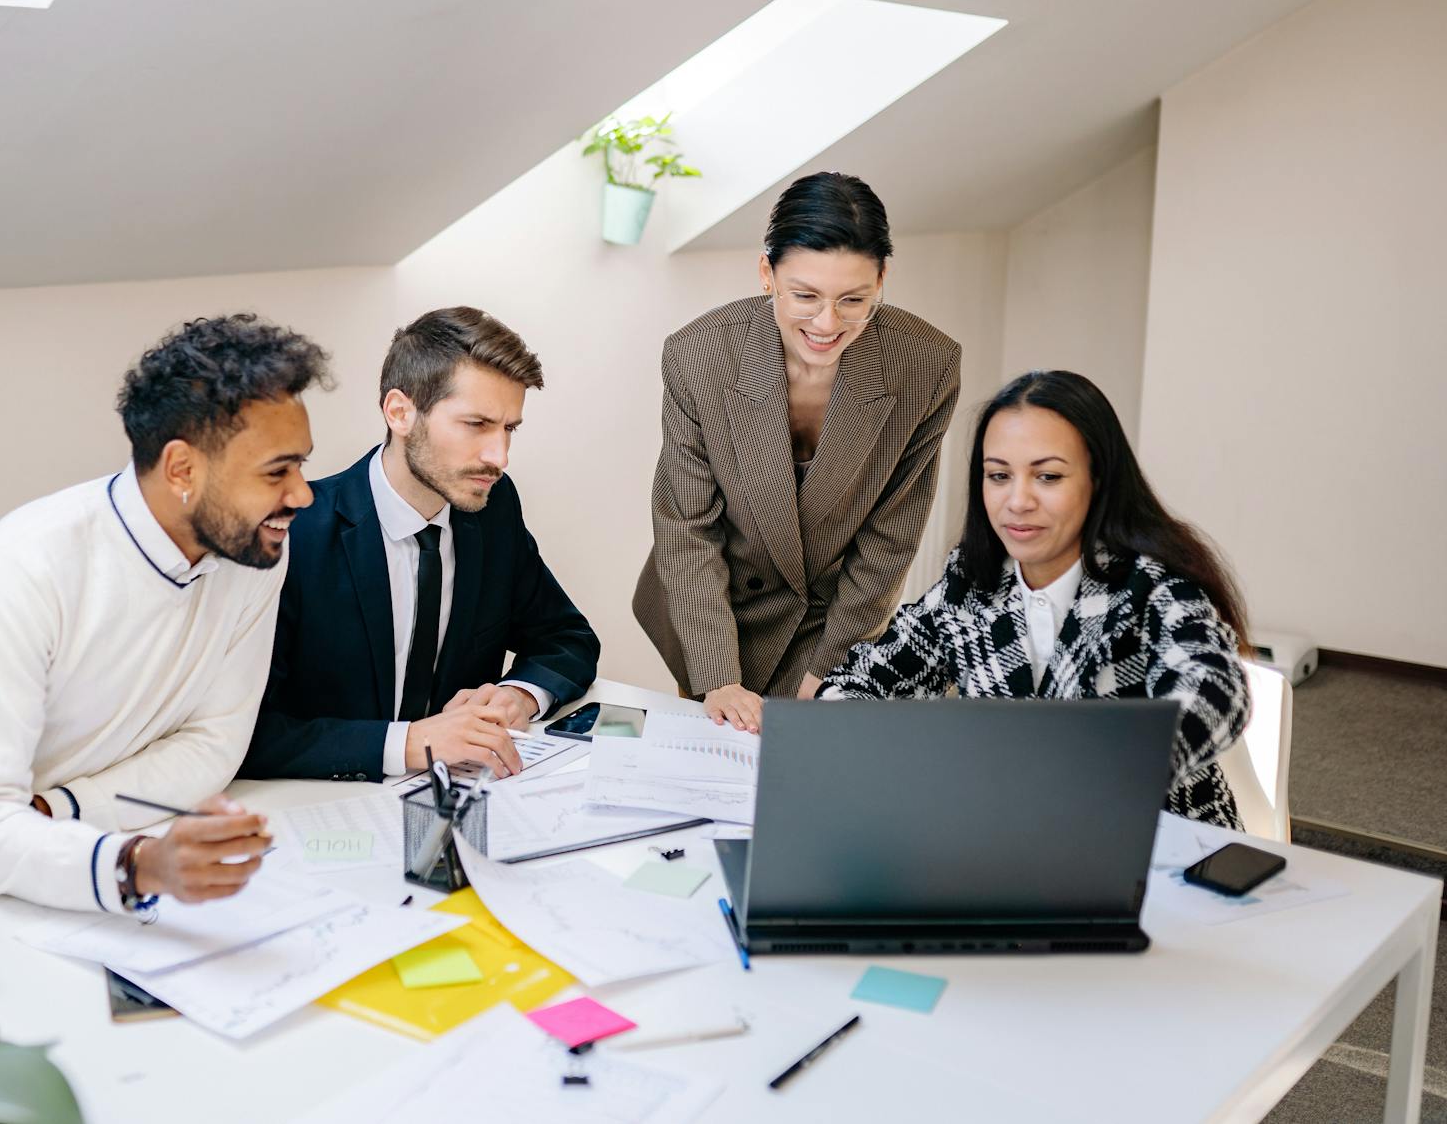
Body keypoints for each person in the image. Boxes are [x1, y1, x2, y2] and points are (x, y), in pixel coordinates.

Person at [0, 315, 330, 912]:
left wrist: (50, 812)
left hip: (66, 867)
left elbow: (213, 745)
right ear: (182, 470)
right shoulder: (19, 572)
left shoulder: (254, 549)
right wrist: (138, 866)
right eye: (277, 471)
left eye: (300, 464)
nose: (302, 494)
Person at [817, 369, 1252, 827]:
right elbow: (862, 680)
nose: (1018, 501)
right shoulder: (971, 581)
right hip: (1013, 843)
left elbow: (1215, 688)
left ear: (1097, 479)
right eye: (999, 475)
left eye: (1047, 476)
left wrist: (1116, 765)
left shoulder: (1153, 582)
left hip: (1160, 845)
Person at [633, 171, 962, 732]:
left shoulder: (926, 366)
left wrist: (832, 669)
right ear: (767, 273)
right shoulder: (699, 355)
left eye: (853, 299)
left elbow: (891, 538)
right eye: (805, 296)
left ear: (882, 278)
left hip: (829, 617)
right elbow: (688, 528)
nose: (827, 324)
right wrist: (717, 676)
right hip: (714, 609)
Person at [242, 306, 600, 782]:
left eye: (509, 428)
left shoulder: (493, 508)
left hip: (465, 799)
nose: (500, 456)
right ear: (400, 412)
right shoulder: (294, 533)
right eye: (476, 424)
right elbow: (250, 733)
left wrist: (519, 695)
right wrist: (408, 743)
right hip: (325, 810)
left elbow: (567, 639)